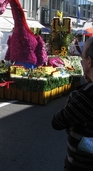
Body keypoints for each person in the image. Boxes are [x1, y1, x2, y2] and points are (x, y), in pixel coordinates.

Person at [52, 37, 93, 171]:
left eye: (83, 59)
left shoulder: (85, 95)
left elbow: (58, 122)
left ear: (90, 62)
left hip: (82, 164)